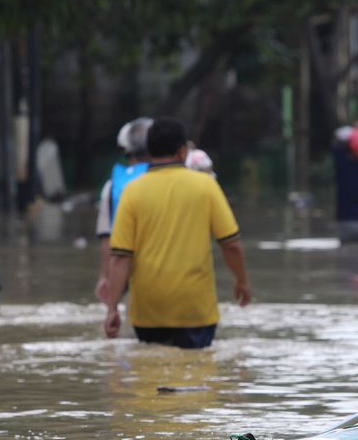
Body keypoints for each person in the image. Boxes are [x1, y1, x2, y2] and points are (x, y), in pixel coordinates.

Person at [102, 117, 252, 350]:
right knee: (195, 375)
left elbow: (120, 257)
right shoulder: (206, 186)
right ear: (183, 152)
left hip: (147, 310)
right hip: (194, 308)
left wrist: (112, 309)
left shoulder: (132, 192)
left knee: (151, 378)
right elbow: (230, 244)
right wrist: (241, 281)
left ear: (150, 151)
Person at [94, 117, 153, 302]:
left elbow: (107, 238)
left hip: (127, 270)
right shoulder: (172, 181)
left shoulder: (112, 187)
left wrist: (105, 277)